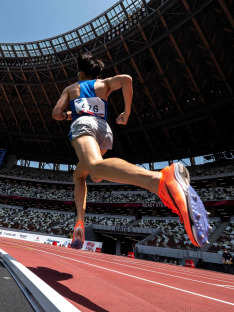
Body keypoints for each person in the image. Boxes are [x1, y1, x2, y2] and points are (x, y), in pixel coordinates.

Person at [52, 52, 210, 250]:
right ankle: (80, 222)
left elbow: (56, 114)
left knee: (95, 169)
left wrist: (69, 115)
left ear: (81, 73)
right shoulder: (103, 83)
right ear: (97, 74)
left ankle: (159, 180)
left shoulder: (71, 87)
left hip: (83, 123)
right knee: (80, 175)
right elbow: (127, 80)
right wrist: (126, 112)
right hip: (104, 129)